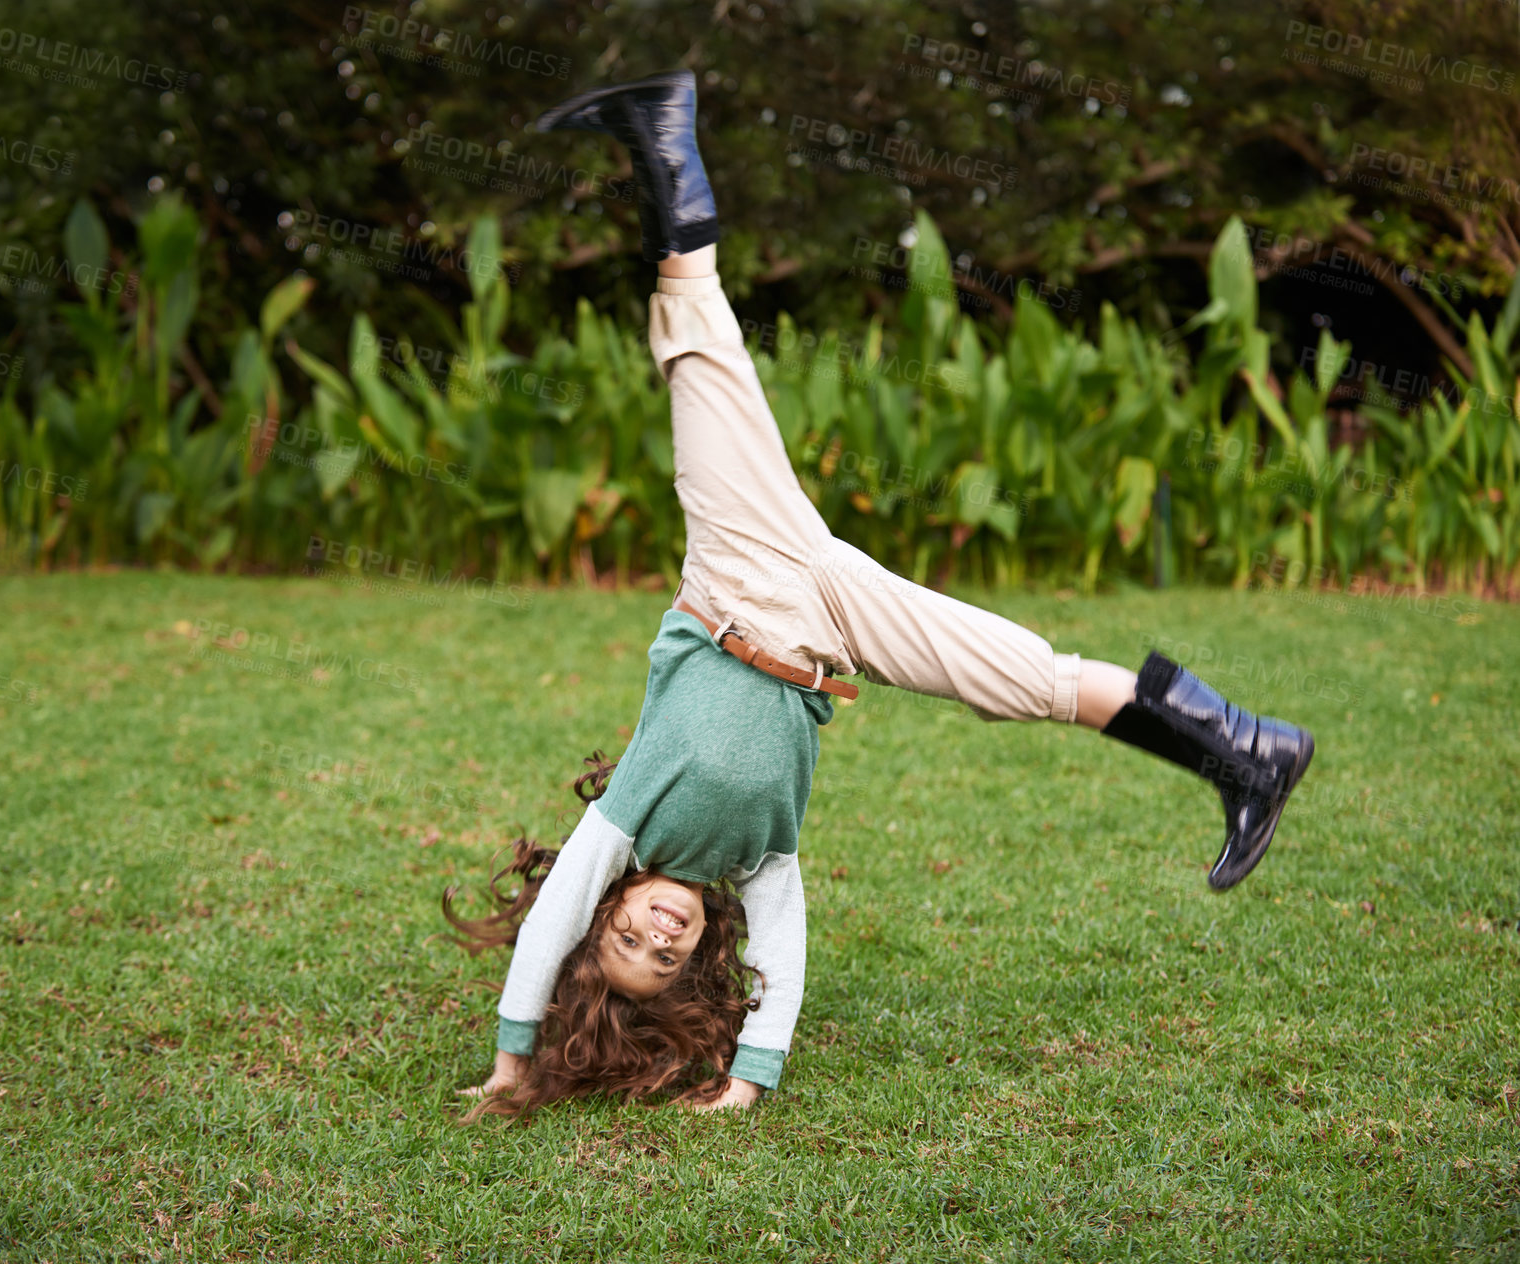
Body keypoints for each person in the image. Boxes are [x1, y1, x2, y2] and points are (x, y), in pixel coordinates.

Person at [444, 70, 1314, 1117]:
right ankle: (1246, 750)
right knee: (1024, 679)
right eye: (659, 957)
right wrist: (745, 1083)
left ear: (612, 902)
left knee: (695, 349)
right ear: (694, 955)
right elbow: (786, 957)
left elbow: (546, 930)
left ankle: (659, 131)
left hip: (739, 579)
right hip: (832, 630)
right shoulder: (759, 861)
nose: (653, 933)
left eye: (626, 933)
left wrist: (511, 1059)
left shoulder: (628, 819)